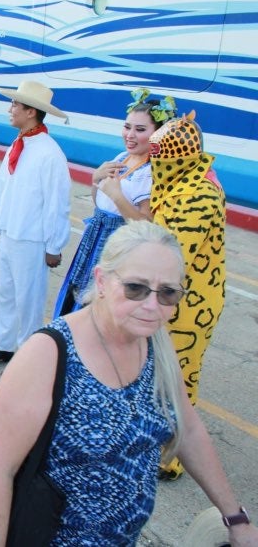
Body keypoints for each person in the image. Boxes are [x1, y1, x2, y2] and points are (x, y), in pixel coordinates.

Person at [0, 220, 258, 546]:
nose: (152, 305)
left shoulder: (154, 343)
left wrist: (234, 517)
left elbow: (188, 428)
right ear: (102, 280)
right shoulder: (48, 354)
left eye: (168, 293)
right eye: (135, 288)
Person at [149, 111, 227, 481]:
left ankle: (172, 457)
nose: (155, 165)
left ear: (175, 159)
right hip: (170, 299)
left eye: (159, 158)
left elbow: (170, 251)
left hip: (190, 306)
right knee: (157, 375)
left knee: (179, 379)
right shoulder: (181, 182)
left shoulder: (199, 194)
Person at [54, 89, 175, 317]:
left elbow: (146, 225)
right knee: (77, 295)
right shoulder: (121, 158)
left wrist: (117, 195)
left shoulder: (151, 172)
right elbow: (101, 203)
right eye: (127, 126)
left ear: (158, 134)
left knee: (101, 304)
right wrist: (95, 179)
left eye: (140, 129)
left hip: (120, 246)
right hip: (95, 237)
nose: (130, 134)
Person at [0, 81, 71, 365]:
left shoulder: (49, 153)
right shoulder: (19, 144)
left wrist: (54, 244)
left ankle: (27, 355)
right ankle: (4, 343)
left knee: (29, 300)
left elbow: (57, 203)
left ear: (31, 112)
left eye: (15, 105)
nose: (10, 110)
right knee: (6, 293)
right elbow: (4, 187)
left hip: (33, 238)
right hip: (12, 232)